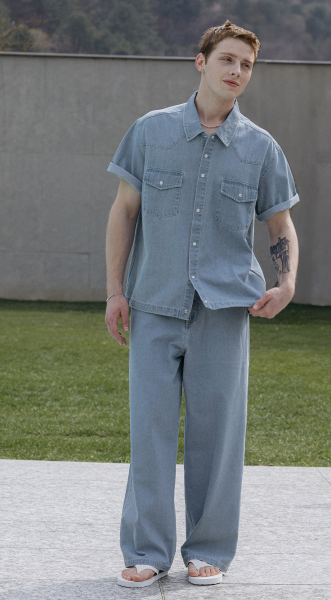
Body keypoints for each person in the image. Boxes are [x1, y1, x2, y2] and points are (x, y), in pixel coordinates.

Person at [105, 19, 300, 588]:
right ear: (201, 62)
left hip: (225, 311)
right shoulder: (151, 132)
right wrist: (115, 291)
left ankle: (208, 549)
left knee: (218, 437)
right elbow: (124, 211)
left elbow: (281, 224)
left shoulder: (261, 148)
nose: (237, 71)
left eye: (246, 65)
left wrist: (287, 282)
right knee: (150, 432)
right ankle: (147, 551)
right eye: (227, 60)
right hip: (154, 302)